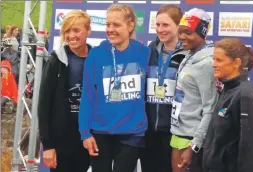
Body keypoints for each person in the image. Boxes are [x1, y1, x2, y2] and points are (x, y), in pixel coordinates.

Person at [79, 4, 150, 172]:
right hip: (101, 132)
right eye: (108, 24)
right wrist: (85, 133)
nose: (110, 29)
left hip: (132, 132)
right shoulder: (96, 55)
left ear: (130, 25)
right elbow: (88, 96)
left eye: (116, 25)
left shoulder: (144, 53)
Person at [38, 10, 91, 172]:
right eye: (67, 31)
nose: (71, 35)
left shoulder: (97, 59)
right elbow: (44, 104)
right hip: (62, 140)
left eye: (76, 30)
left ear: (88, 31)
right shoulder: (56, 60)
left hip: (89, 138)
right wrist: (47, 145)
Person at [170, 8, 218, 172]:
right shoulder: (189, 54)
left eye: (188, 32)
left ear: (202, 34)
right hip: (179, 132)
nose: (182, 37)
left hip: (191, 138)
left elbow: (210, 108)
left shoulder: (207, 64)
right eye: (180, 32)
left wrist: (195, 145)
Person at [203, 38, 253, 172]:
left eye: (219, 60)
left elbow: (248, 146)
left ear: (236, 63)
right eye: (213, 59)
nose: (213, 64)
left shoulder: (244, 94)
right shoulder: (227, 89)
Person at [140, 5, 186, 172]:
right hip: (149, 131)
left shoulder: (188, 54)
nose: (160, 29)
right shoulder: (149, 51)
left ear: (178, 25)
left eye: (165, 25)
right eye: (157, 25)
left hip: (175, 132)